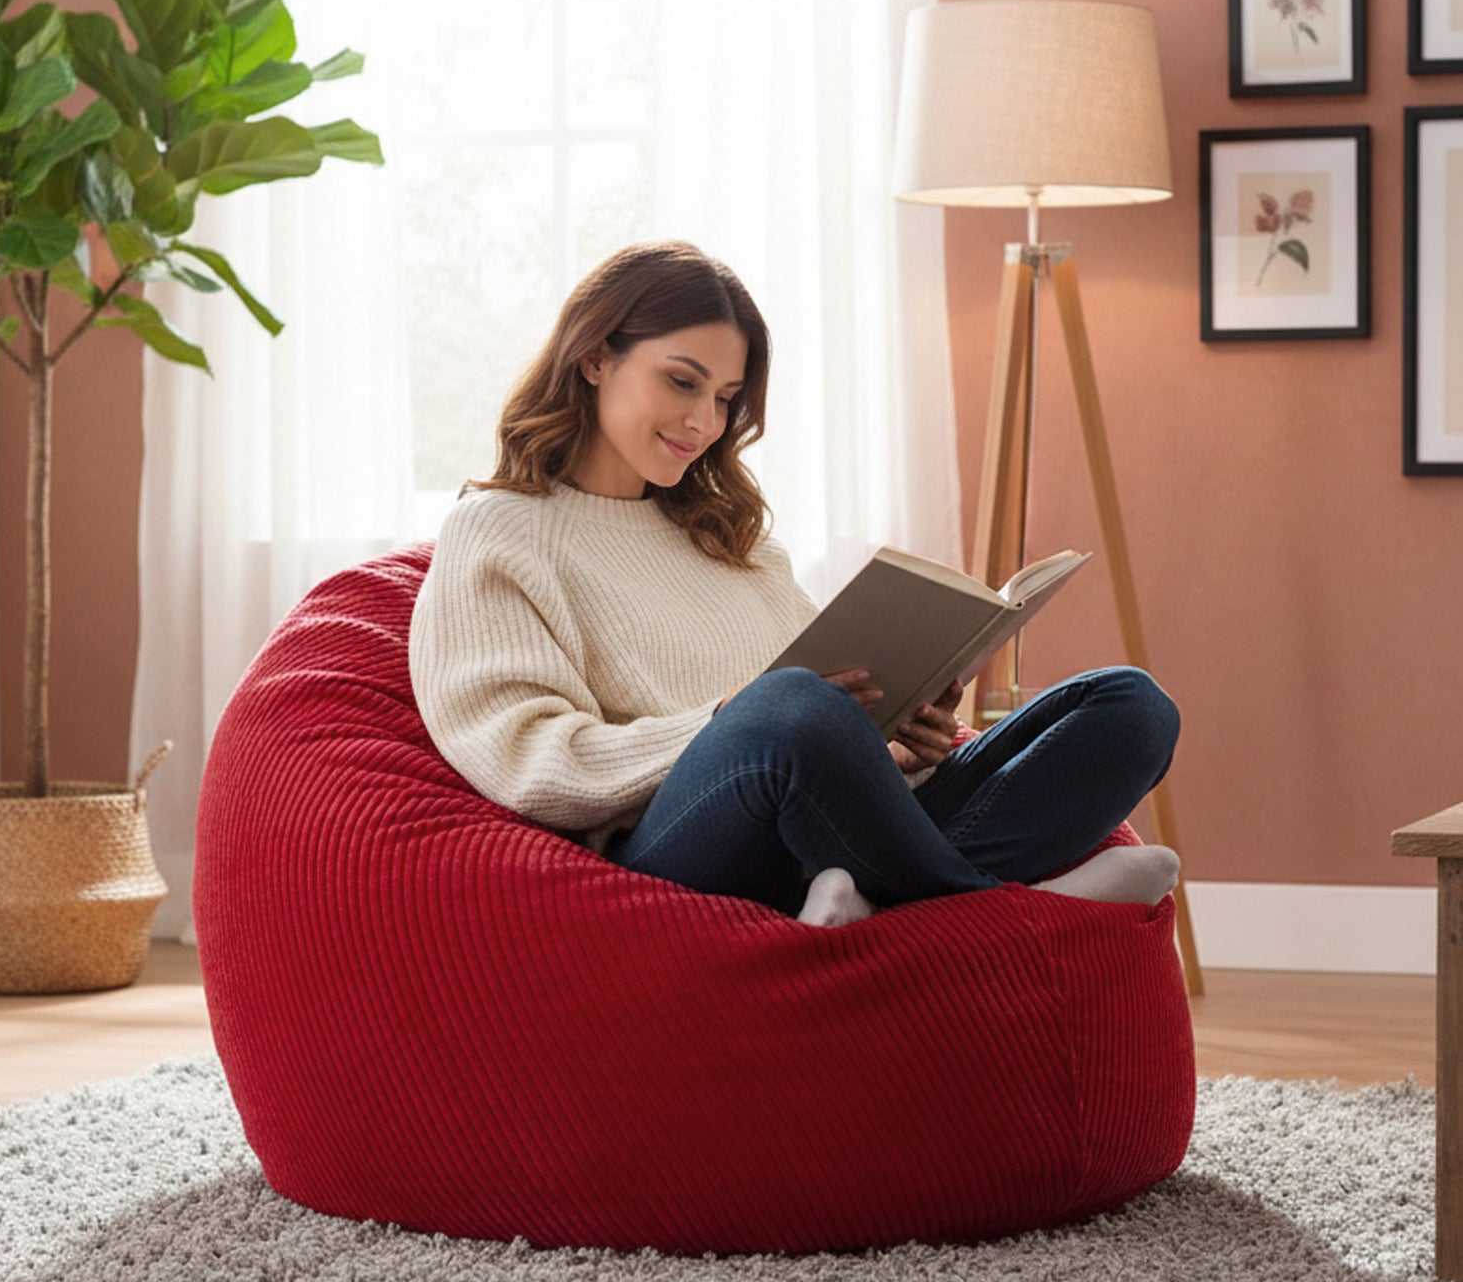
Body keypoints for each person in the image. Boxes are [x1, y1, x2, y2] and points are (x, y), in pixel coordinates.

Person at [409, 240, 1181, 928]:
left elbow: (825, 726)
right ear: (594, 358)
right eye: (682, 382)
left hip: (829, 834)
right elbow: (525, 761)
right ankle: (1016, 914)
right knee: (786, 704)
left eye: (724, 399)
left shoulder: (731, 536)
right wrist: (722, 719)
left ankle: (881, 906)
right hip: (683, 845)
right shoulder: (499, 531)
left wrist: (909, 735)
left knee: (1128, 706)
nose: (703, 423)